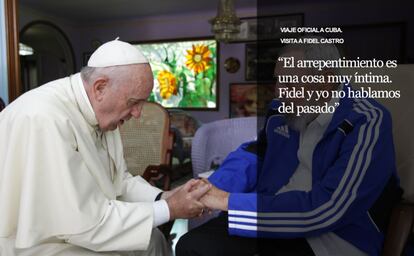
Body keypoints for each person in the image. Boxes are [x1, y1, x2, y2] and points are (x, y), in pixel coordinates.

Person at [176, 38, 401, 256]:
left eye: (290, 82)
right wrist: (211, 187)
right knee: (192, 246)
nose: (278, 91)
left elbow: (330, 208)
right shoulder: (282, 108)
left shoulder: (366, 120)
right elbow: (257, 154)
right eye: (278, 80)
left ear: (325, 80)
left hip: (334, 236)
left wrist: (227, 201)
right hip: (273, 211)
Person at [0, 39, 211, 256]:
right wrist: (171, 209)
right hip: (41, 242)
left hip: (80, 228)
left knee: (153, 239)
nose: (138, 113)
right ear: (100, 87)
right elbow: (81, 221)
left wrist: (164, 198)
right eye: (133, 102)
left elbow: (118, 181)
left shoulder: (99, 113)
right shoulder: (44, 119)